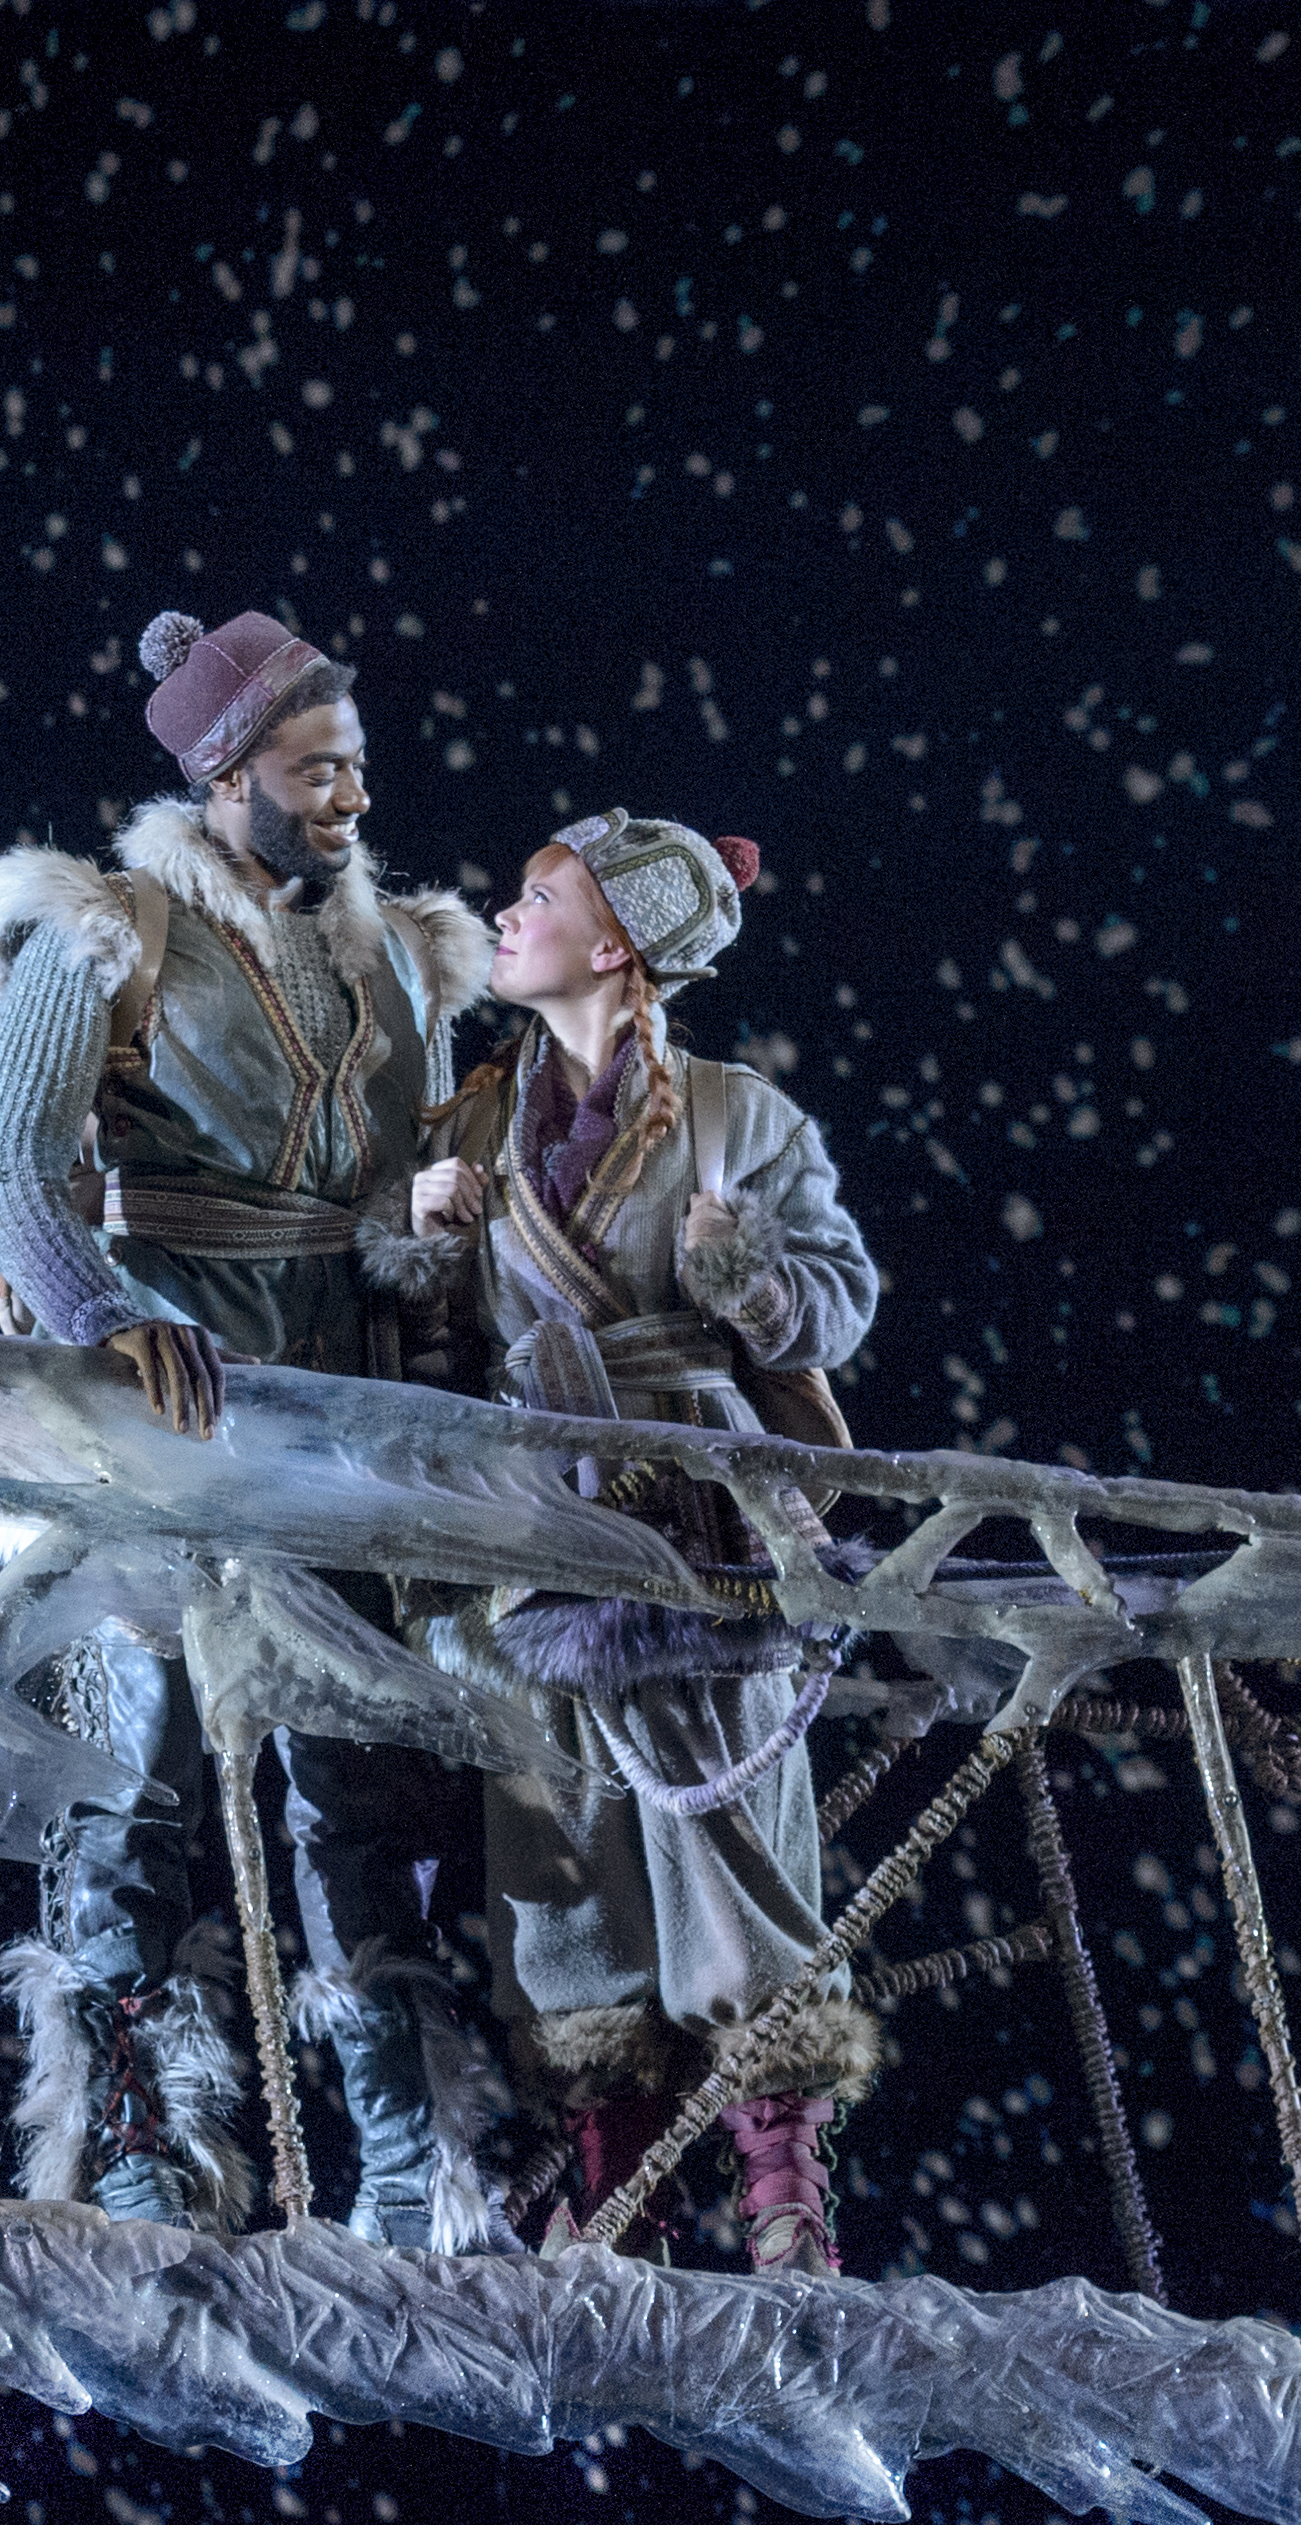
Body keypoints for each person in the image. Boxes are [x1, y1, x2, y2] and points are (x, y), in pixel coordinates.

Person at [0, 608, 490, 2243]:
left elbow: (383, 1193)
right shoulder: (109, 933)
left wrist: (435, 1218)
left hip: (339, 1405)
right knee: (141, 1781)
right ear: (227, 771)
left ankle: (411, 2162)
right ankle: (132, 2144)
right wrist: (106, 1309)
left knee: (358, 1786)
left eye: (356, 771)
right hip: (163, 1416)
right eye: (315, 771)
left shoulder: (396, 947)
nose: (346, 799)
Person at [404, 807, 884, 2271]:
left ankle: (782, 2178)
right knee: (561, 1848)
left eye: (536, 894)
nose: (505, 913)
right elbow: (429, 1333)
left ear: (612, 943)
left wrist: (749, 1280)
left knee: (728, 1826)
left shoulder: (739, 1116)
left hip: (699, 1499)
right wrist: (425, 1243)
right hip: (534, 1502)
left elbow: (842, 1297)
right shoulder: (477, 1113)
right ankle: (619, 2181)